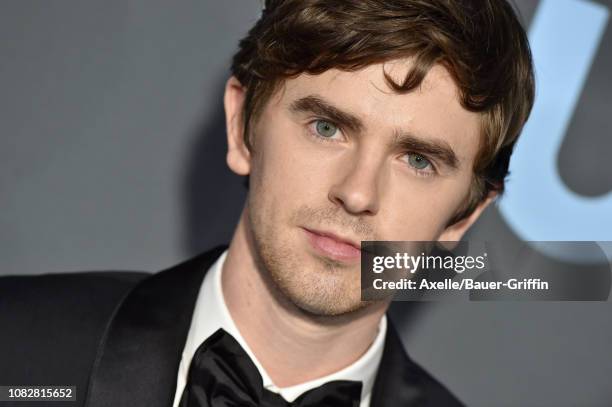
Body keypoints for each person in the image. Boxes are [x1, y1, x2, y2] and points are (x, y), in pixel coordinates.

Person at [0, 0, 534, 406]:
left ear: (464, 216)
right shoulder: (15, 346)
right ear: (241, 126)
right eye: (326, 127)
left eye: (418, 160)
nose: (357, 193)